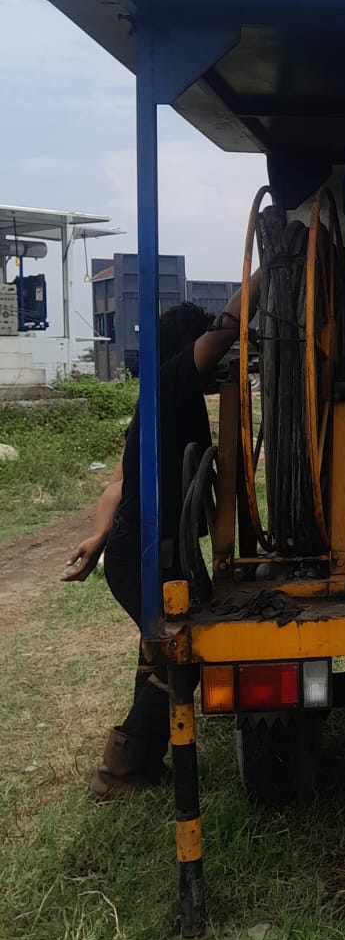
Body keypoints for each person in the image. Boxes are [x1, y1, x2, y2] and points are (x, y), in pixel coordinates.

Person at [65, 274, 260, 798]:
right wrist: (270, 266)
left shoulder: (161, 398)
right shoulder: (172, 382)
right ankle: (119, 772)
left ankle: (137, 767)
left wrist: (98, 536)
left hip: (149, 551)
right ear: (186, 349)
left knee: (158, 654)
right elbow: (224, 329)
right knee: (178, 655)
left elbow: (118, 481)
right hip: (144, 554)